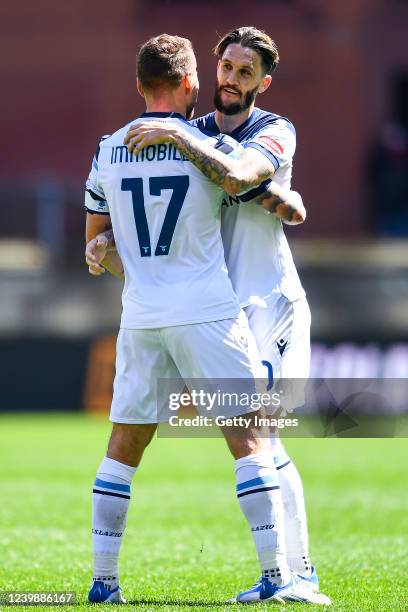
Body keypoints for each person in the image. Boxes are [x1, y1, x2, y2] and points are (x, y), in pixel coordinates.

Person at [84, 33, 329, 606]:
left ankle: (298, 573)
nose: (233, 78)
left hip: (267, 302)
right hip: (212, 306)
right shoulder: (202, 141)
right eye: (226, 65)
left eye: (246, 71)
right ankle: (286, 577)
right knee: (257, 439)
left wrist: (107, 249)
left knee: (261, 436)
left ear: (263, 82)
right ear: (202, 75)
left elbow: (252, 182)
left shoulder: (271, 131)